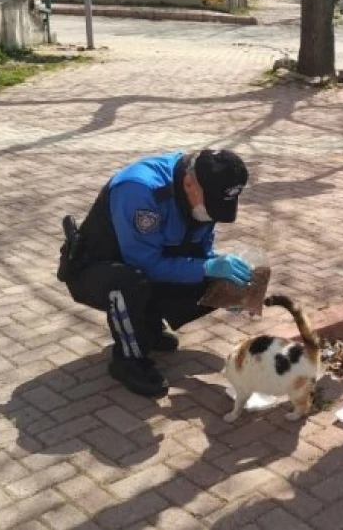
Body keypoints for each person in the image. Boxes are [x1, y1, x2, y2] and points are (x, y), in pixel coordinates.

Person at [57, 149, 253, 398]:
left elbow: (199, 249)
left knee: (215, 275)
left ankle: (148, 327)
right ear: (189, 183)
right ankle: (128, 360)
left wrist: (224, 288)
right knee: (128, 282)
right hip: (95, 270)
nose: (213, 213)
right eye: (212, 204)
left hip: (140, 262)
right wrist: (206, 268)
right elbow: (145, 263)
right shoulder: (139, 190)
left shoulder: (205, 187)